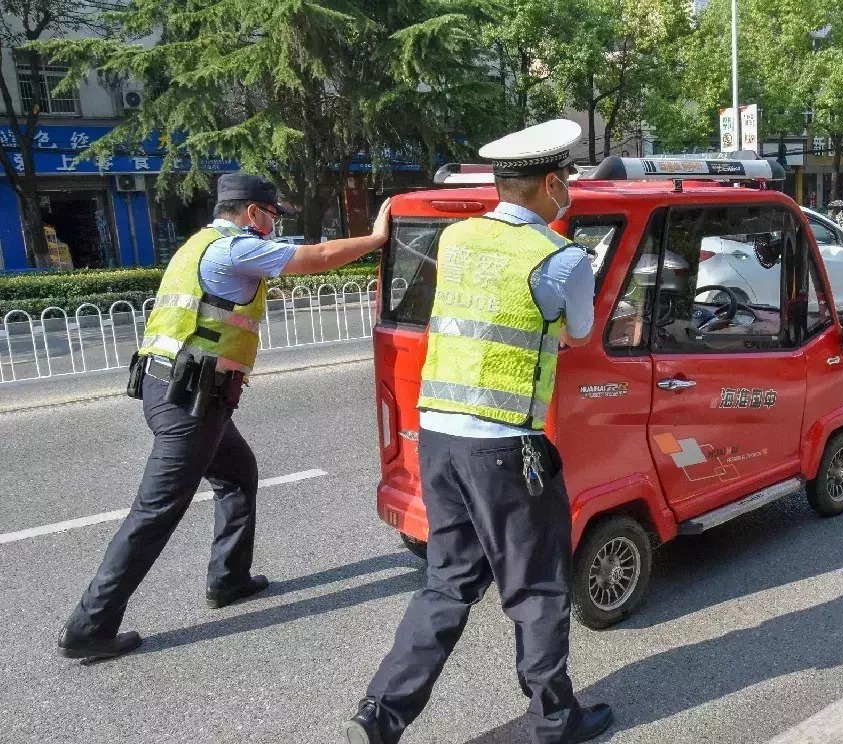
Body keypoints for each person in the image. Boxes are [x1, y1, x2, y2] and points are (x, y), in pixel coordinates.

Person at [344, 120, 612, 744]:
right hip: (505, 445)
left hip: (438, 437)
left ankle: (379, 714)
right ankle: (553, 720)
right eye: (566, 180)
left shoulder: (457, 237)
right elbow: (577, 332)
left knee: (447, 583)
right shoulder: (561, 258)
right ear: (552, 183)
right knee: (537, 586)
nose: (569, 189)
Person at [58, 173, 391, 660]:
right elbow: (316, 257)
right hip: (189, 399)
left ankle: (229, 578)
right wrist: (377, 238)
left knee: (237, 474)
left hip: (176, 388)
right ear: (252, 212)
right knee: (155, 511)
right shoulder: (235, 249)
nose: (275, 225)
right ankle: (89, 626)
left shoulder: (199, 243)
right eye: (272, 215)